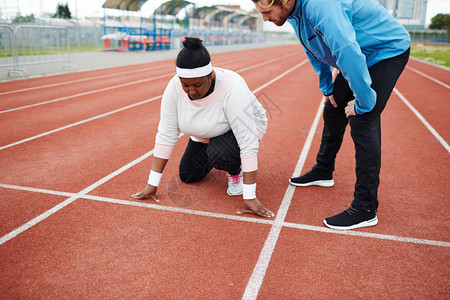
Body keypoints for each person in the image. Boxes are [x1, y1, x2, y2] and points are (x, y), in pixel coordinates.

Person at [251, 0, 410, 229]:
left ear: (284, 1)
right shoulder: (295, 13)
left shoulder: (321, 6)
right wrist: (327, 86)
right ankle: (324, 170)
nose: (264, 18)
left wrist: (363, 103)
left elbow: (347, 51)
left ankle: (365, 207)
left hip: (385, 49)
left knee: (364, 120)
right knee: (334, 107)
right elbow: (312, 47)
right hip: (359, 53)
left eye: (266, 12)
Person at [132, 37, 274, 218]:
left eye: (197, 85)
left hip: (243, 129)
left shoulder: (232, 87)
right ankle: (215, 153)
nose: (191, 91)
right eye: (186, 85)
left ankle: (234, 171)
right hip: (206, 132)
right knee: (188, 175)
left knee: (222, 153)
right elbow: (167, 134)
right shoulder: (174, 87)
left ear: (211, 76)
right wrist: (152, 184)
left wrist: (250, 196)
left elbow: (247, 142)